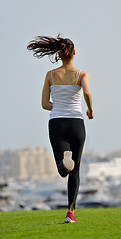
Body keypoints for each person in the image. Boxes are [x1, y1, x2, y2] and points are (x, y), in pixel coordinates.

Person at [27, 35, 94, 223]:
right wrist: (90, 109)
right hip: (76, 123)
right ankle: (70, 213)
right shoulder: (82, 74)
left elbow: (44, 104)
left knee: (64, 170)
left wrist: (58, 106)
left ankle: (64, 163)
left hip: (57, 122)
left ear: (59, 54)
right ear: (73, 53)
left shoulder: (50, 75)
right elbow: (87, 92)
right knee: (76, 171)